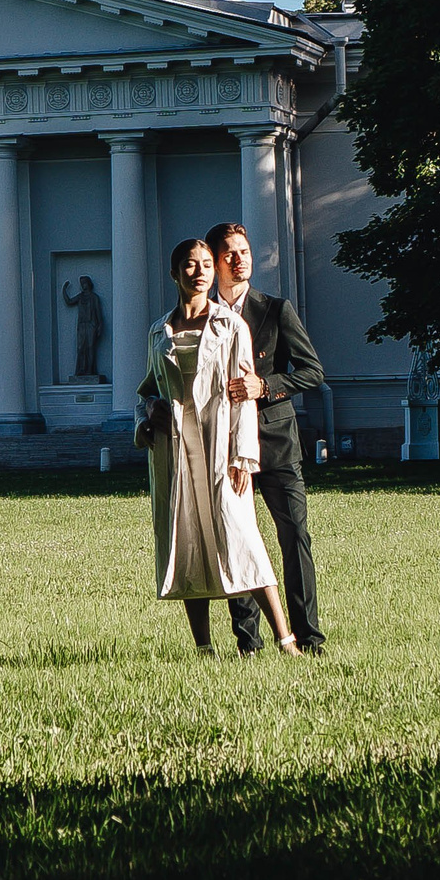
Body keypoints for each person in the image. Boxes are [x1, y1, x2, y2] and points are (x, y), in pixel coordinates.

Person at [136, 237, 297, 655]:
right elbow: (146, 390)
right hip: (175, 450)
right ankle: (204, 647)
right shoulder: (158, 331)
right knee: (186, 539)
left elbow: (242, 396)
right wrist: (148, 412)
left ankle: (286, 639)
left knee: (240, 535)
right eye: (190, 265)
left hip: (220, 446)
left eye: (207, 263)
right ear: (175, 274)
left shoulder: (230, 327)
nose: (200, 271)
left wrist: (244, 456)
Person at [205, 221, 330, 655]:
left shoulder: (276, 310)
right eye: (230, 254)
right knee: (236, 541)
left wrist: (267, 385)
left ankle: (309, 639)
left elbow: (312, 372)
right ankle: (248, 643)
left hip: (275, 443)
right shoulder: (200, 317)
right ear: (215, 261)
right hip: (223, 447)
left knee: (294, 538)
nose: (240, 261)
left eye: (245, 252)